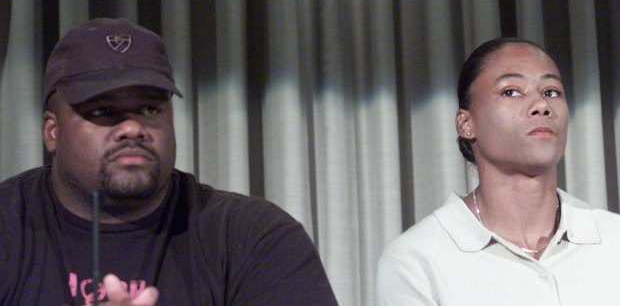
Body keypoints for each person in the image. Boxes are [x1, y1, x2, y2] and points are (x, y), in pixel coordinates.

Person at [0, 18, 338, 306]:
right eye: (102, 111)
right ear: (52, 132)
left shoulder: (255, 238)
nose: (132, 128)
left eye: (150, 109)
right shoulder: (8, 228)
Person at [376, 37, 620, 305]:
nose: (541, 105)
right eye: (511, 92)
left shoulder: (612, 238)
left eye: (551, 91)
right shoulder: (416, 260)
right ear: (466, 123)